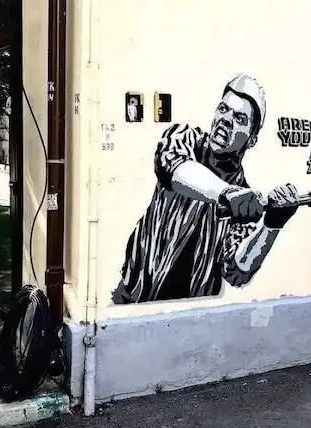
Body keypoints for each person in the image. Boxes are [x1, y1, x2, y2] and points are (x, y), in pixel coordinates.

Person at [112, 73, 299, 304]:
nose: (226, 119)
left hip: (194, 311)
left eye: (239, 118)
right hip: (132, 300)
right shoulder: (184, 139)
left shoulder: (245, 200)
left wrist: (272, 225)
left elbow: (237, 269)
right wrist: (227, 194)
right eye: (223, 109)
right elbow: (173, 166)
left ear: (252, 139)